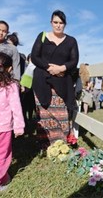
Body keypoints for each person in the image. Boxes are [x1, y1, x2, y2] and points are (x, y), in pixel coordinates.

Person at [31, 10, 79, 149]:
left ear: (65, 24)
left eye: (61, 23)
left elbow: (74, 61)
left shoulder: (71, 41)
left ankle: (62, 143)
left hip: (62, 81)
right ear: (51, 23)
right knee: (44, 112)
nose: (58, 25)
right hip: (42, 80)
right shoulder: (42, 36)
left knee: (62, 112)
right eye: (55, 22)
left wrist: (61, 68)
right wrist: (49, 68)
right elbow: (35, 57)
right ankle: (45, 143)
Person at [0, 52, 25, 191]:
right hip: (4, 128)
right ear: (9, 69)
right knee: (3, 153)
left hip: (4, 127)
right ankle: (2, 179)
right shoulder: (11, 86)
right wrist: (19, 127)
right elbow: (16, 107)